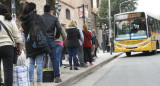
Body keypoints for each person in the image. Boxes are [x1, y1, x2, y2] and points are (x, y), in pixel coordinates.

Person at [20, 2, 47, 86]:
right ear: (34, 9)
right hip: (39, 42)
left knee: (31, 62)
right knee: (39, 63)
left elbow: (23, 29)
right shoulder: (38, 17)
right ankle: (39, 82)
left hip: (29, 42)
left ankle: (31, 82)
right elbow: (45, 27)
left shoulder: (24, 18)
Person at [0, 3, 22, 86]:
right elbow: (17, 36)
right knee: (8, 70)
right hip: (8, 47)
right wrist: (19, 48)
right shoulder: (10, 20)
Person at [41, 5, 62, 83]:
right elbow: (59, 28)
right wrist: (56, 37)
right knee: (54, 59)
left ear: (44, 10)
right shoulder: (54, 18)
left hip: (41, 40)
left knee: (41, 59)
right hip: (50, 39)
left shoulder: (40, 17)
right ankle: (57, 77)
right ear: (50, 10)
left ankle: (41, 77)